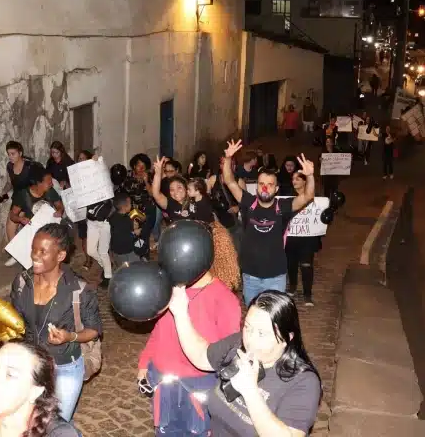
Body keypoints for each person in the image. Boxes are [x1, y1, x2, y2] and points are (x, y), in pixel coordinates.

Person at [169, 289, 322, 437]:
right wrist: (180, 313)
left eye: (262, 333)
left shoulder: (303, 382)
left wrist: (250, 391)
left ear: (287, 338)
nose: (250, 339)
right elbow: (202, 355)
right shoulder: (238, 345)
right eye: (248, 327)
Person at [10, 223, 102, 422]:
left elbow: (94, 330)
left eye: (43, 251)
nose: (35, 256)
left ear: (60, 256)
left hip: (65, 369)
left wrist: (70, 336)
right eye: (33, 249)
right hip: (31, 366)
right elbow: (16, 321)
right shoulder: (21, 283)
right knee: (28, 422)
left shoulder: (79, 289)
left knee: (55, 426)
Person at [137, 268, 241, 435]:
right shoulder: (170, 291)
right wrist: (144, 363)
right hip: (165, 386)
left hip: (199, 390)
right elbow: (159, 330)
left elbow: (227, 355)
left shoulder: (224, 298)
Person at [221, 140, 316, 305]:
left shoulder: (283, 206)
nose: (265, 188)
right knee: (253, 314)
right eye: (261, 184)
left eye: (270, 185)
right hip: (250, 276)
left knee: (273, 318)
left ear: (276, 189)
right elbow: (229, 182)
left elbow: (307, 197)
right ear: (257, 186)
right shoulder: (247, 202)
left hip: (275, 277)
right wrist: (228, 158)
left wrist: (309, 176)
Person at [285, 172, 320, 306]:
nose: (294, 181)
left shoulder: (313, 197)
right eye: (293, 179)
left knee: (306, 265)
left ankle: (307, 294)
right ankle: (293, 286)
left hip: (307, 238)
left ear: (305, 181)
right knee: (291, 264)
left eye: (297, 179)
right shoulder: (288, 196)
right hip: (292, 236)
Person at [0, 141, 41, 242]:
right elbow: (10, 183)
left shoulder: (30, 167)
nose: (10, 157)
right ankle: (14, 256)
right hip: (17, 200)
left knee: (29, 232)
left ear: (20, 153)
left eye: (13, 154)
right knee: (9, 229)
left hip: (30, 200)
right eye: (8, 154)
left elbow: (40, 185)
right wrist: (3, 194)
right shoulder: (9, 166)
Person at [9, 165, 64, 229]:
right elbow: (12, 215)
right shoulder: (23, 195)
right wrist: (20, 219)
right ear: (39, 183)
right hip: (33, 229)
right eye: (49, 183)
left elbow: (60, 205)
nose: (52, 184)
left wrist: (60, 211)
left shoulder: (50, 190)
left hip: (49, 226)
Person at [108, 192, 140, 267]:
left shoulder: (113, 217)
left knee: (123, 267)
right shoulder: (125, 220)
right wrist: (135, 232)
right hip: (126, 250)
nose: (131, 205)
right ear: (124, 207)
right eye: (130, 204)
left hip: (116, 251)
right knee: (134, 266)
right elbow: (123, 237)